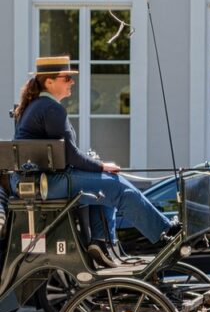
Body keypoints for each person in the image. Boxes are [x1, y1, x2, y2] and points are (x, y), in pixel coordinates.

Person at [12, 56, 179, 267]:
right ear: (49, 82)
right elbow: (71, 154)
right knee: (117, 188)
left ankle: (101, 243)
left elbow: (65, 154)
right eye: (67, 78)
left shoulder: (39, 106)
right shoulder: (50, 108)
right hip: (47, 183)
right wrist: (100, 165)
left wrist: (98, 167)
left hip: (44, 180)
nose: (72, 82)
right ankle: (164, 232)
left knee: (106, 183)